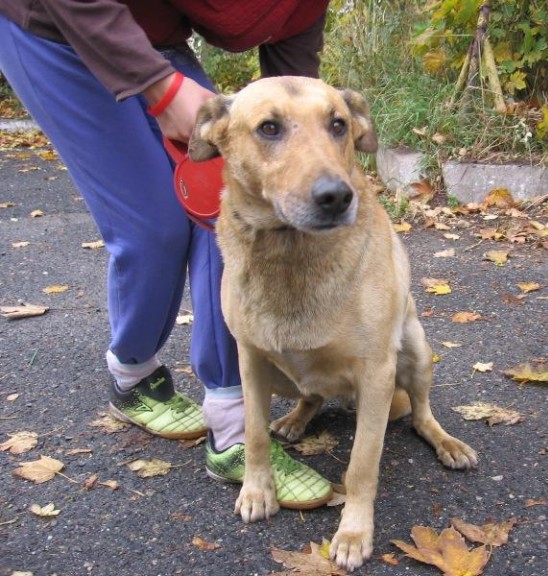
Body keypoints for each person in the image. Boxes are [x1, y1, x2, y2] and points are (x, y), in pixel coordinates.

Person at [0, 0, 334, 509]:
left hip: (157, 36)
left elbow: (291, 87)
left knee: (232, 210)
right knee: (152, 229)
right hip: (55, 25)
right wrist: (162, 86)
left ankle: (234, 422)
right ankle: (133, 375)